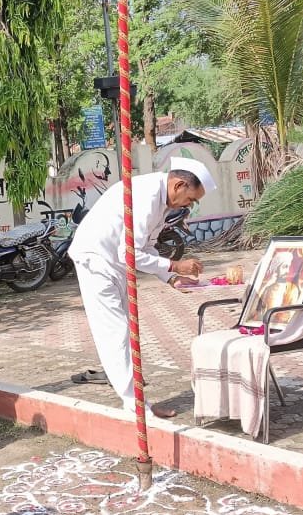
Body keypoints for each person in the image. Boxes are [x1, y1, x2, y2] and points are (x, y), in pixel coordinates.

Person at [67, 157, 216, 418]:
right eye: (191, 199)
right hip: (97, 260)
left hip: (112, 262)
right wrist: (175, 266)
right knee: (116, 333)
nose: (189, 205)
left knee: (121, 330)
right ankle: (135, 406)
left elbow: (146, 247)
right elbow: (130, 253)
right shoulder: (147, 195)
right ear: (179, 185)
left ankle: (136, 400)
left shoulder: (161, 201)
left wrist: (169, 277)